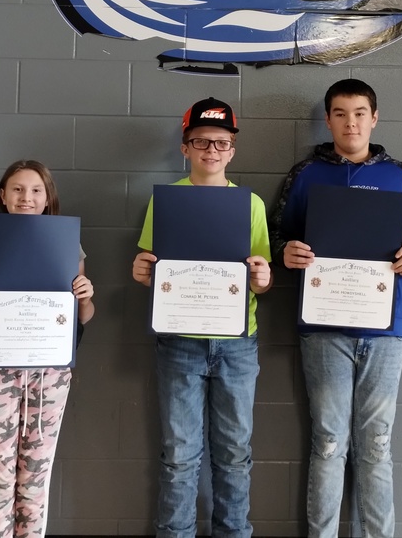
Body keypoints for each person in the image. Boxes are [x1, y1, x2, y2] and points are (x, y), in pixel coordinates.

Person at [271, 79, 402, 538]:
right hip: (323, 328)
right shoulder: (305, 174)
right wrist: (287, 253)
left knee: (377, 445)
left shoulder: (398, 176)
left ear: (374, 118)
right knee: (327, 442)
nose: (351, 122)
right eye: (340, 113)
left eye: (360, 112)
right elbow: (276, 236)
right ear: (328, 120)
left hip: (385, 329)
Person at [132, 97, 273, 538]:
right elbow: (152, 269)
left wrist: (263, 278)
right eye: (201, 142)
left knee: (234, 452)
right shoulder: (167, 202)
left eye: (220, 142)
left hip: (237, 344)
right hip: (179, 343)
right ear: (185, 147)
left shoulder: (251, 206)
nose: (211, 151)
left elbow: (260, 282)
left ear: (232, 150)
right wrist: (141, 271)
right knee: (179, 454)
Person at [0, 159, 95, 538]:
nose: (26, 197)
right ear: (3, 195)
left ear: (48, 197)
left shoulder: (67, 244)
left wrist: (85, 296)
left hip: (49, 375)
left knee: (35, 481)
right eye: (17, 189)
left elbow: (82, 317)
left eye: (35, 190)